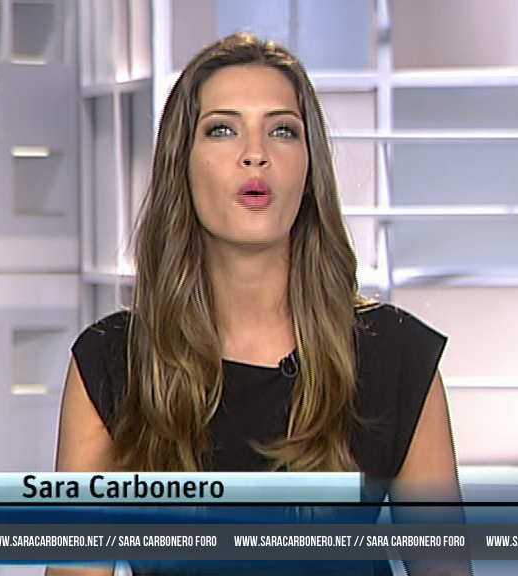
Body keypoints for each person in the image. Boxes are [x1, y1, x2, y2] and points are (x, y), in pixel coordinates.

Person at [50, 32, 469, 576]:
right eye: (223, 129)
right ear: (182, 164)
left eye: (282, 130)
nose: (256, 154)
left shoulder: (396, 355)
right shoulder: (112, 361)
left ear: (309, 168)